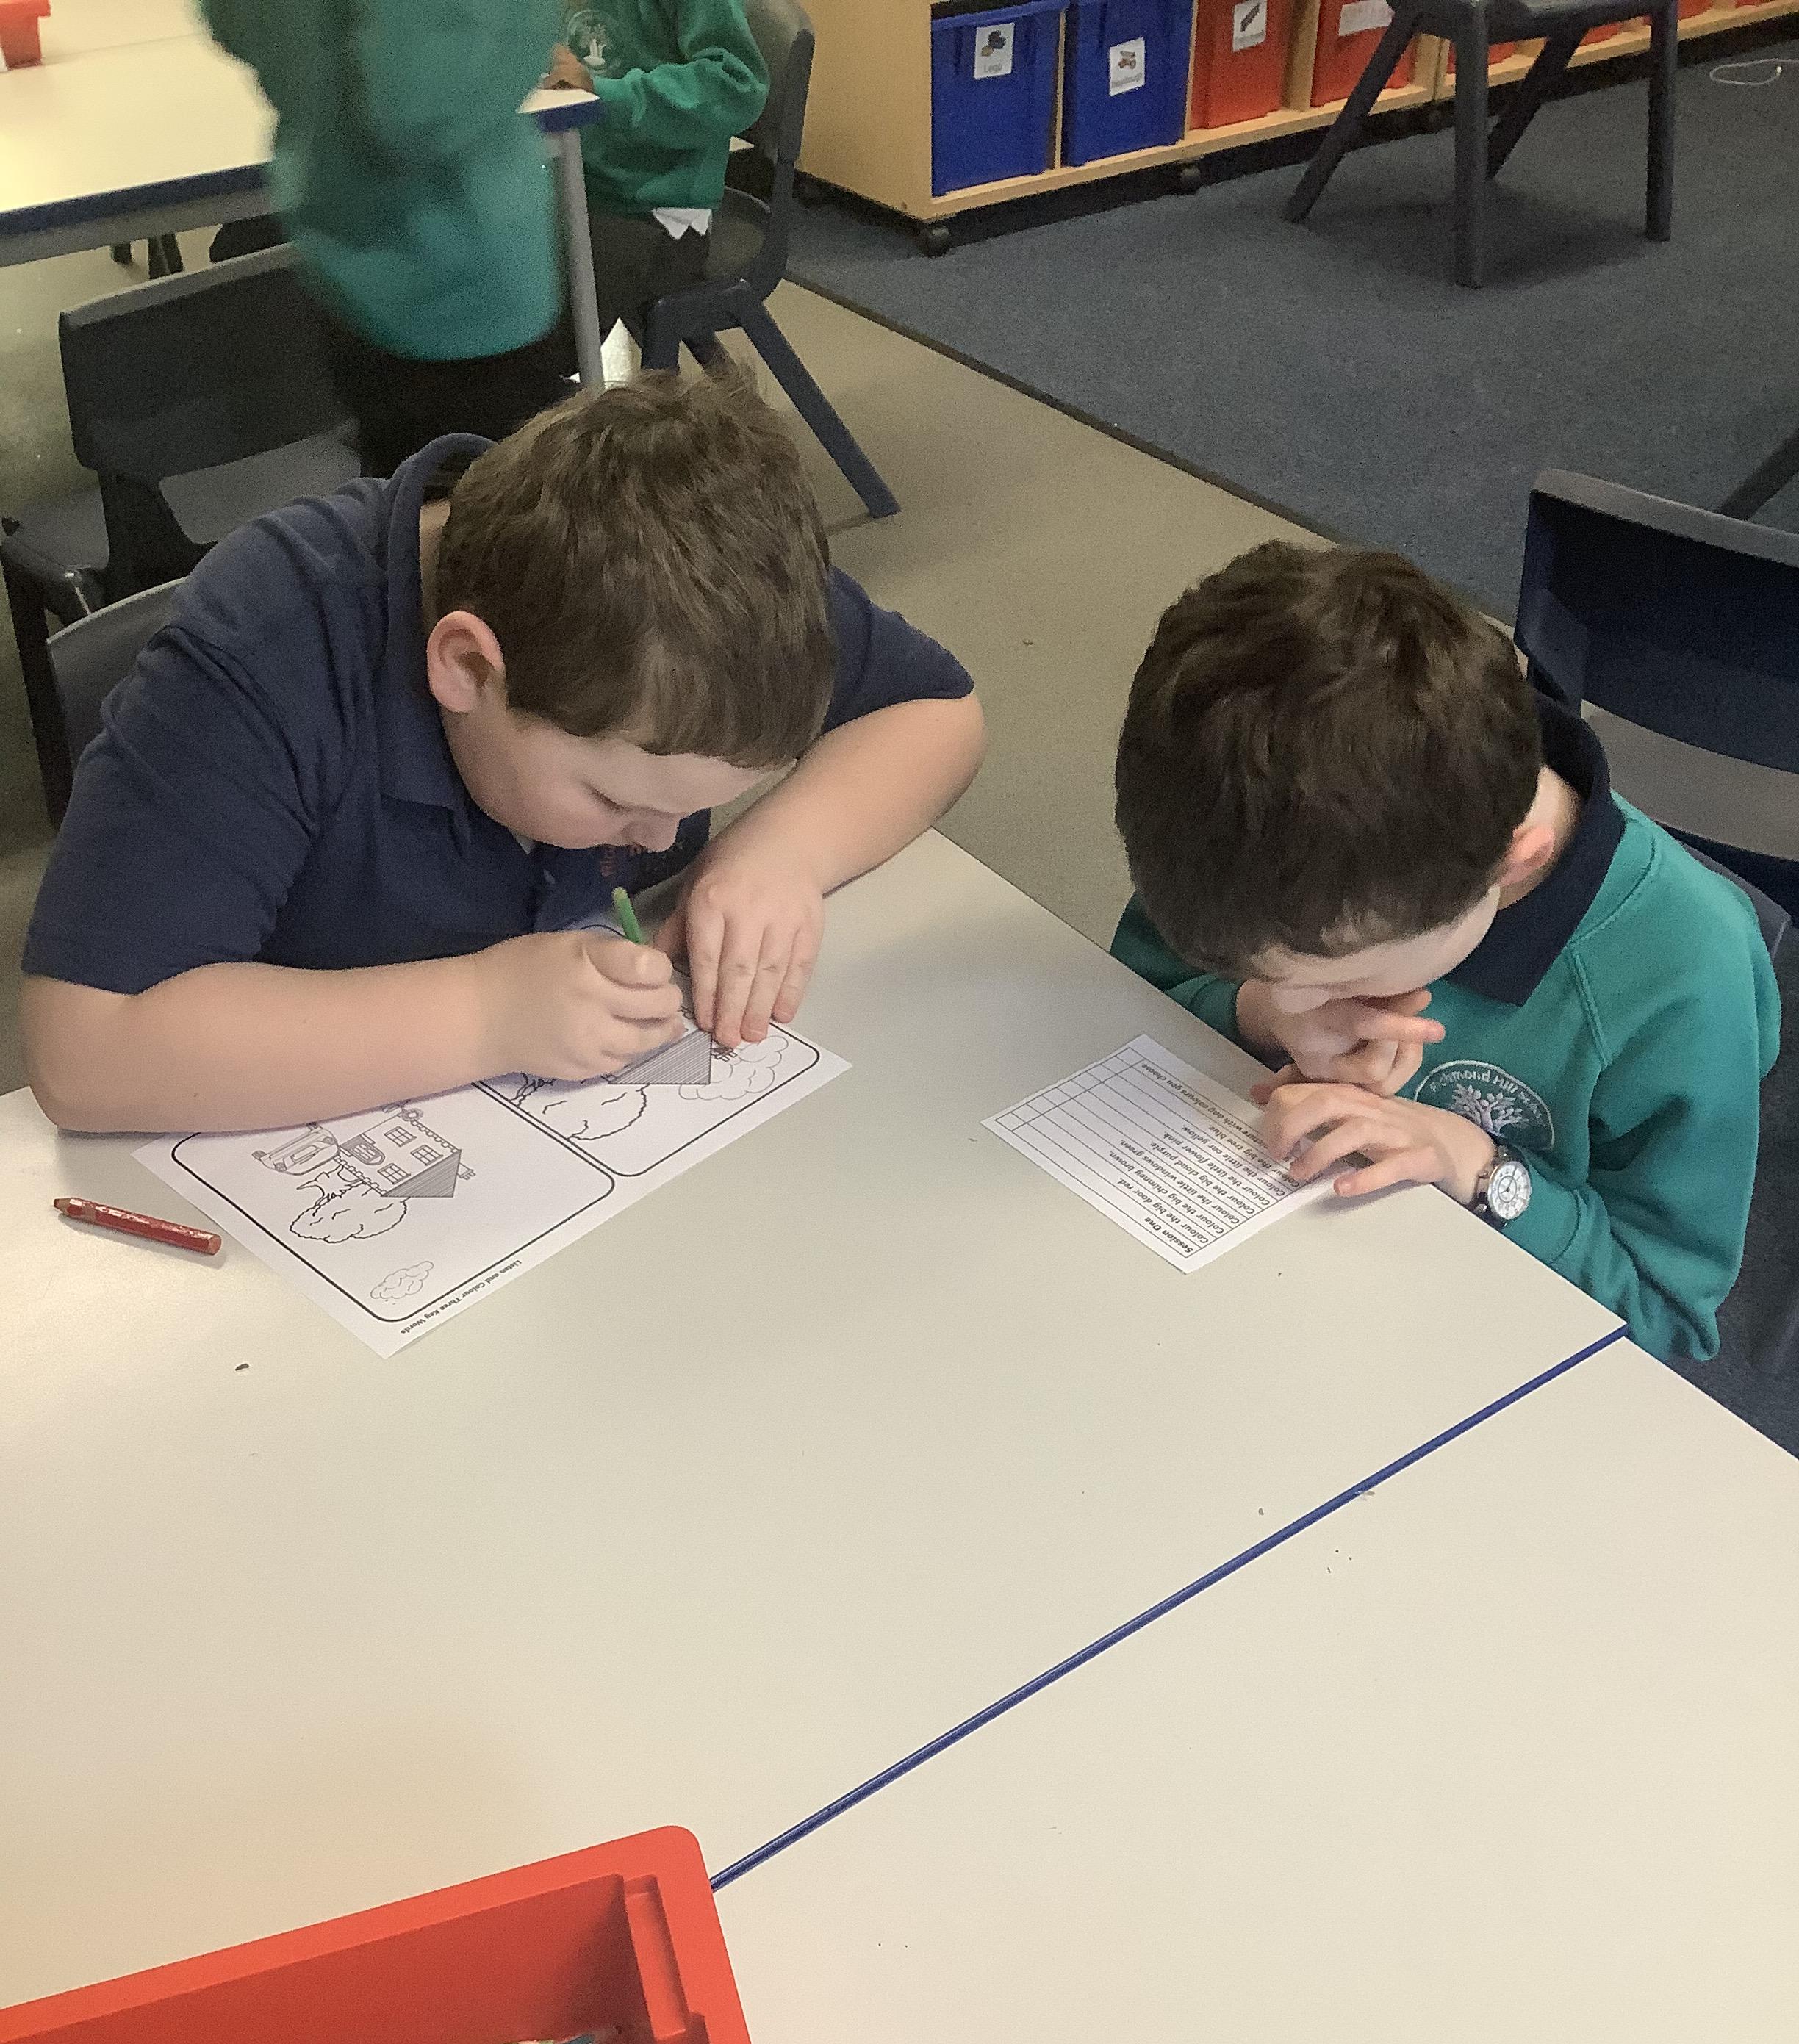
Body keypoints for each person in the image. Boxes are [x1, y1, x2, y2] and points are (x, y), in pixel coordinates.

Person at [21, 375, 985, 1137]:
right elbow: (84, 1052)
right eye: (612, 800)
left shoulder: (709, 601)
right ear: (468, 668)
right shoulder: (271, 648)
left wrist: (780, 855)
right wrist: (483, 1015)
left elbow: (939, 712)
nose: (661, 839)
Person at [1110, 541, 1779, 1361]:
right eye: (1261, 976)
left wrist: (1479, 1168)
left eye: (1340, 979)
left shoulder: (1685, 976)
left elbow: (1665, 1314)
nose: (1291, 998)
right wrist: (1255, 1016)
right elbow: (1127, 987)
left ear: (1510, 868)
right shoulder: (1252, 832)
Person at [200, 0, 572, 475]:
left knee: (401, 495)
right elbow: (416, 104)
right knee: (490, 505)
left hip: (346, 251)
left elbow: (232, 22)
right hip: (461, 284)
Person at [544, 0, 769, 350]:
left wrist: (602, 95)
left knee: (527, 320)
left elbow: (738, 87)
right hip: (574, 189)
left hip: (654, 212)